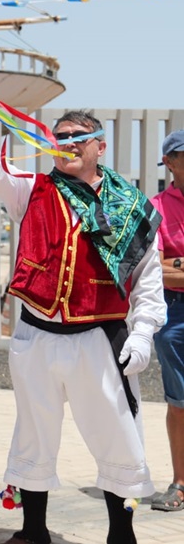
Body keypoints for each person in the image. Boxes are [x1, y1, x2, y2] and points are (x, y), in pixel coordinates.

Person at [0, 92, 164, 544]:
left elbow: (148, 279)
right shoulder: (31, 189)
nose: (68, 143)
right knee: (34, 432)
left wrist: (143, 333)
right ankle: (33, 531)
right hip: (37, 334)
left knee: (117, 437)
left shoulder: (131, 207)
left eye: (78, 138)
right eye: (60, 137)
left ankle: (121, 535)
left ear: (99, 147)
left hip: (99, 337)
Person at [152, 129, 184, 513]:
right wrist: (169, 268)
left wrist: (175, 263)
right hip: (173, 313)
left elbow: (167, 266)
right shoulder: (156, 206)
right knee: (179, 404)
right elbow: (150, 271)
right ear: (171, 163)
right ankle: (180, 482)